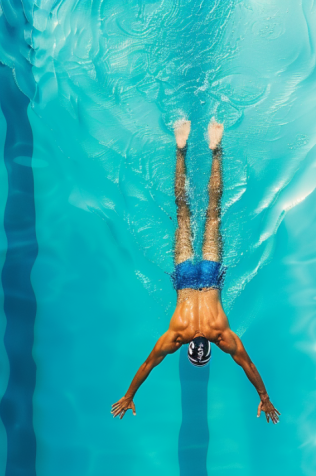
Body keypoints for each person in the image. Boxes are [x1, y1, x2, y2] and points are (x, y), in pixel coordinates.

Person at [111, 119, 280, 424]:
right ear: (189, 348)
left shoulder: (220, 334)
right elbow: (148, 364)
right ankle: (181, 149)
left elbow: (249, 366)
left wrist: (265, 398)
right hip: (187, 277)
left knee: (213, 213)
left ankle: (216, 151)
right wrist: (128, 395)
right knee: (183, 213)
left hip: (211, 275)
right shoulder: (178, 334)